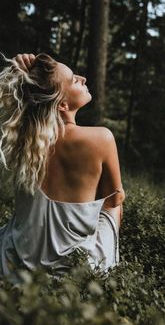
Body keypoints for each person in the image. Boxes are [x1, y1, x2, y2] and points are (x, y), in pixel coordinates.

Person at [0, 52, 125, 283]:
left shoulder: (23, 140)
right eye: (74, 80)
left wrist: (19, 67)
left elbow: (20, 96)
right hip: (77, 272)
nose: (83, 78)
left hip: (15, 266)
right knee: (115, 201)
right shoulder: (101, 138)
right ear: (63, 104)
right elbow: (113, 201)